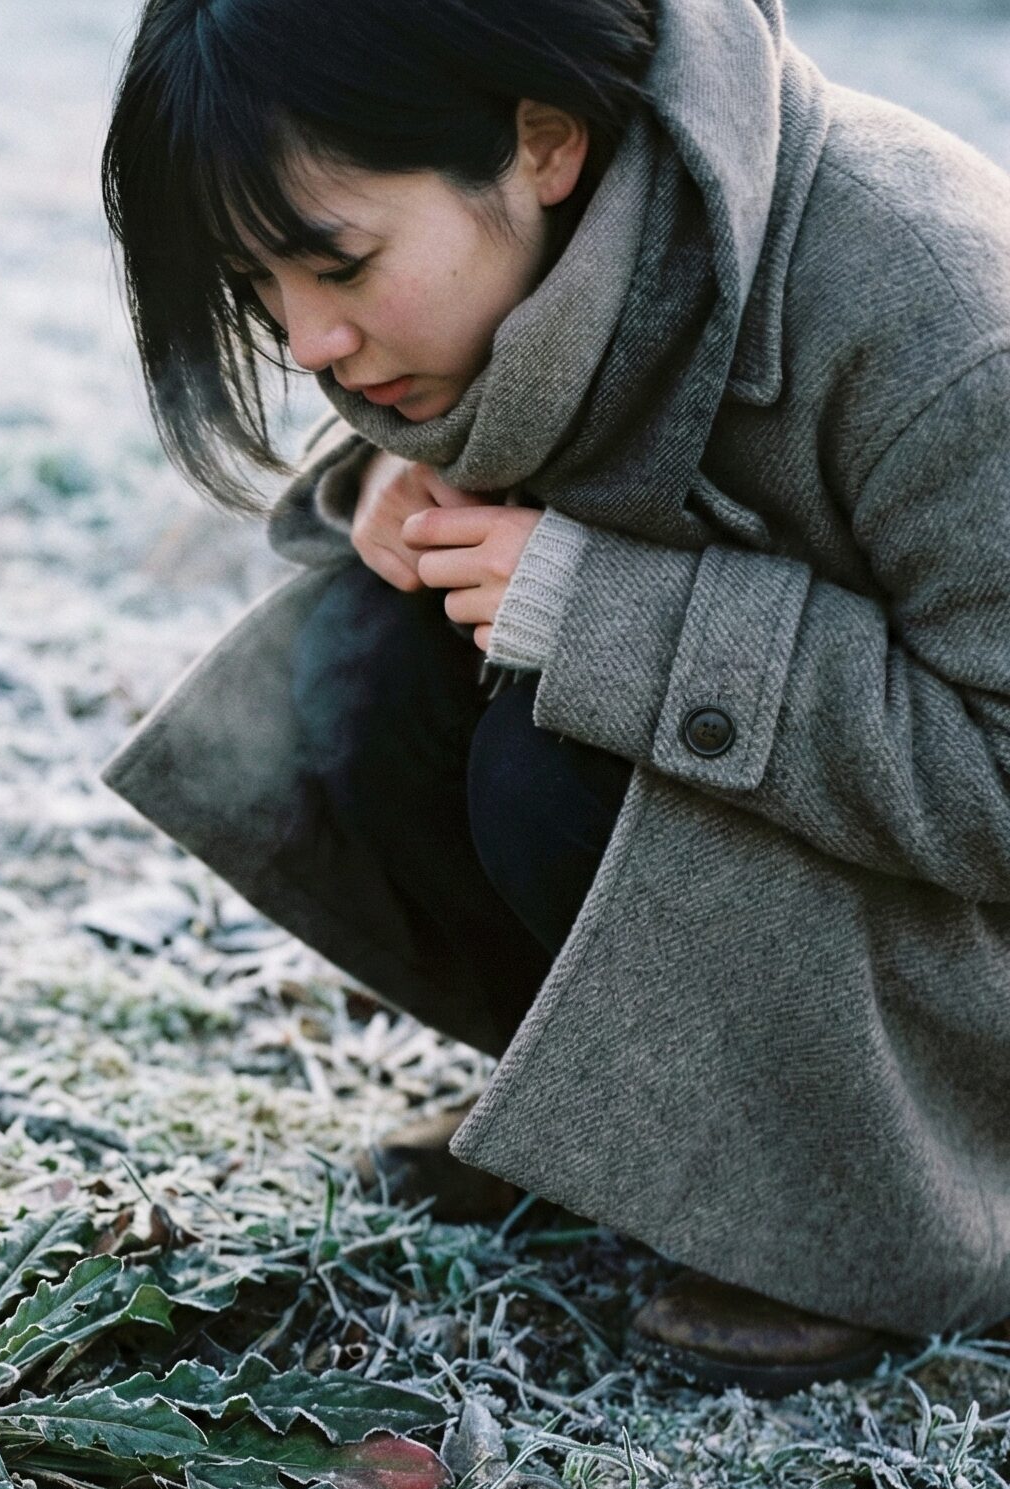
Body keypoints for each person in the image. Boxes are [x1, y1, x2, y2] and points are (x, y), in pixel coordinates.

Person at [98, 0, 1010, 1392]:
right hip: (833, 901)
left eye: (336, 264)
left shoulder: (935, 313)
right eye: (256, 283)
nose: (308, 345)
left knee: (551, 741)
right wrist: (406, 491)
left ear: (544, 143)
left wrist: (609, 617)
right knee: (371, 655)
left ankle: (886, 1214)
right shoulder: (572, 242)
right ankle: (632, 1133)